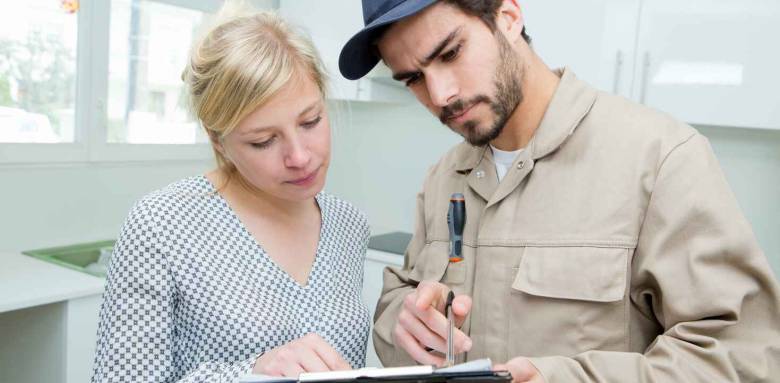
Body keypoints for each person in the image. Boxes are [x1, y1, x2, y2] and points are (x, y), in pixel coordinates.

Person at [338, 0, 780, 382]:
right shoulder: (443, 178)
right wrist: (405, 324)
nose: (440, 95)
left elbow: (744, 359)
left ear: (508, 16)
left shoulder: (661, 158)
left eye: (451, 53)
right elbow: (403, 303)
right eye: (412, 78)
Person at [92, 8, 371, 382]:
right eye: (263, 141)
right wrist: (248, 374)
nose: (300, 156)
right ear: (218, 141)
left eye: (311, 121)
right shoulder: (162, 226)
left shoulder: (348, 225)